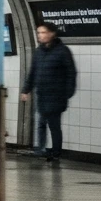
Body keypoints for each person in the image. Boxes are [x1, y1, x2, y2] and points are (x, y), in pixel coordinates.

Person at [20, 22, 77, 163]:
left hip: (56, 96)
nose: (40, 35)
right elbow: (33, 73)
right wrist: (26, 90)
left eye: (43, 32)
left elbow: (71, 73)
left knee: (53, 125)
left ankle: (56, 152)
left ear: (52, 33)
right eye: (38, 33)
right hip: (42, 95)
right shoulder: (38, 52)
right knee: (41, 123)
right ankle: (41, 149)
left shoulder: (63, 51)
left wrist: (67, 93)